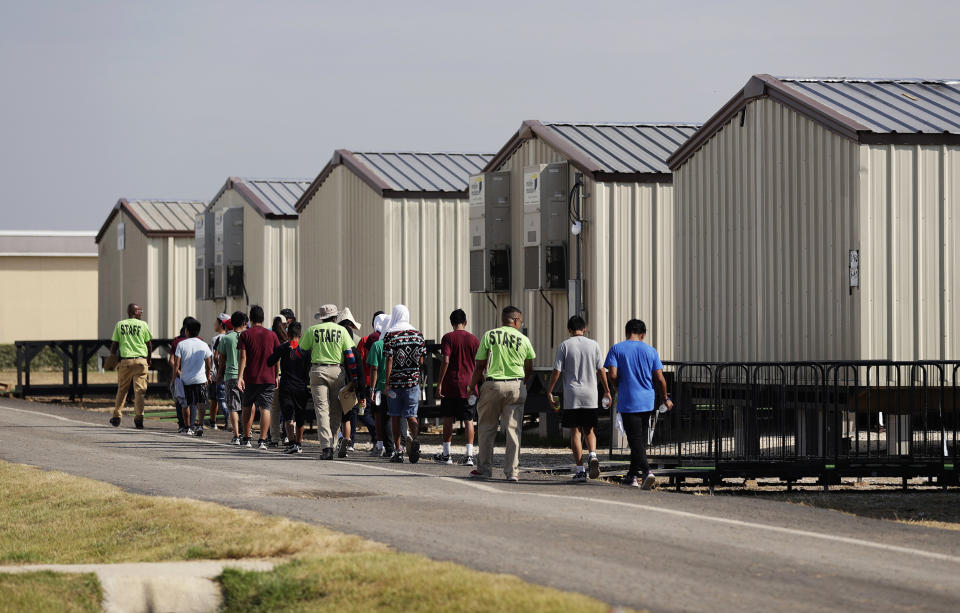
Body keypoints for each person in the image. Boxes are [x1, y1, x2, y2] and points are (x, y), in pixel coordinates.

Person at [467, 306, 535, 481]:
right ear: (517, 321)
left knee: (486, 429)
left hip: (493, 385)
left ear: (503, 319)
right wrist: (522, 383)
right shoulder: (524, 339)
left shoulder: (489, 335)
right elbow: (529, 367)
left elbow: (480, 365)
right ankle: (512, 472)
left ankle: (484, 469)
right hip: (516, 386)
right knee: (513, 431)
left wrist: (472, 386)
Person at [604, 319, 673, 490]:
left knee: (634, 439)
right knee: (640, 439)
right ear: (643, 334)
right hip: (647, 400)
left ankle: (646, 471)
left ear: (627, 332)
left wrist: (617, 386)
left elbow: (612, 374)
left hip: (628, 399)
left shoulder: (617, 349)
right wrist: (665, 398)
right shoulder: (650, 351)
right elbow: (660, 379)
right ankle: (631, 476)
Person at [545, 315, 611, 481]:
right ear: (585, 329)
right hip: (590, 393)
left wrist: (550, 390)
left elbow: (557, 371)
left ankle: (581, 470)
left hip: (572, 394)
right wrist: (607, 390)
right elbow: (601, 370)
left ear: (569, 330)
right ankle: (593, 455)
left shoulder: (564, 346)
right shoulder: (594, 345)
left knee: (575, 431)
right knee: (589, 429)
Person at [300, 304, 365, 460]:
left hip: (317, 371)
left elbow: (300, 352)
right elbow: (350, 356)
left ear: (321, 317)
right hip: (337, 371)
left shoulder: (312, 330)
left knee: (321, 410)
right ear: (335, 317)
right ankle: (333, 443)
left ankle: (326, 448)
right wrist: (355, 378)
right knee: (336, 410)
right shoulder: (342, 331)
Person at [434, 308, 480, 466]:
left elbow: (446, 361)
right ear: (465, 322)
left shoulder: (448, 338)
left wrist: (439, 383)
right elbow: (480, 363)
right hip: (469, 385)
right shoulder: (474, 340)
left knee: (448, 418)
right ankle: (469, 456)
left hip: (451, 384)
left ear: (452, 323)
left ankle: (447, 455)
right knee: (469, 419)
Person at [382, 304, 427, 463]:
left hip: (395, 383)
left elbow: (389, 359)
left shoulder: (390, 335)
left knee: (395, 416)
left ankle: (398, 450)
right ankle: (415, 438)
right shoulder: (418, 335)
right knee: (411, 415)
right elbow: (422, 359)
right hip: (412, 382)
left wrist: (387, 383)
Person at [238, 305, 280, 449]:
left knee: (247, 406)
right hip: (268, 376)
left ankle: (247, 437)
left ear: (250, 318)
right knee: (265, 408)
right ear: (263, 318)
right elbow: (277, 358)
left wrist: (240, 377)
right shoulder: (272, 335)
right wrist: (276, 375)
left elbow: (243, 358)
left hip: (250, 377)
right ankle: (262, 440)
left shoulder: (245, 334)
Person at [267, 321, 311, 455]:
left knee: (288, 417)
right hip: (302, 387)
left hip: (286, 386)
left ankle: (291, 443)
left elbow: (270, 362)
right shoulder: (306, 350)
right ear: (301, 334)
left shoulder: (283, 347)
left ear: (287, 333)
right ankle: (299, 443)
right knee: (300, 416)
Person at [108, 303, 153, 428]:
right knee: (140, 391)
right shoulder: (143, 325)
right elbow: (149, 344)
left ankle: (117, 416)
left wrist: (112, 358)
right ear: (135, 312)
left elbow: (114, 345)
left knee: (122, 389)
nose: (142, 313)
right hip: (140, 361)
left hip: (126, 362)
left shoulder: (120, 324)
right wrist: (149, 359)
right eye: (140, 311)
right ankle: (139, 418)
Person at [337, 307, 375, 456]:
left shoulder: (337, 337)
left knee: (342, 413)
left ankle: (344, 440)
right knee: (352, 412)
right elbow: (360, 363)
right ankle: (349, 440)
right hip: (356, 379)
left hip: (340, 377)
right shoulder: (358, 339)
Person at [174, 317, 214, 436]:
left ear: (187, 331)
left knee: (185, 404)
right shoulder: (203, 345)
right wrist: (208, 376)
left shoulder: (181, 344)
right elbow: (208, 363)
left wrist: (173, 378)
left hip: (186, 380)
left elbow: (176, 364)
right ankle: (200, 425)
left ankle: (188, 427)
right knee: (201, 403)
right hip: (200, 379)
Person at [365, 312, 394, 457]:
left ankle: (382, 445)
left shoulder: (377, 345)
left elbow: (374, 368)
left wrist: (372, 388)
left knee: (380, 417)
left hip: (380, 387)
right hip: (396, 385)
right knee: (396, 416)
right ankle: (397, 445)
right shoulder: (396, 343)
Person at [217, 311, 247, 445]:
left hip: (230, 375)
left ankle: (236, 435)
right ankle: (247, 432)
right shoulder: (247, 337)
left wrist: (218, 375)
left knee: (233, 407)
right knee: (246, 405)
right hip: (246, 376)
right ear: (244, 323)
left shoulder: (226, 339)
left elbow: (221, 360)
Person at [207, 313, 231, 430]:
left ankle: (213, 422)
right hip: (230, 373)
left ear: (222, 324)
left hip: (217, 374)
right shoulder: (233, 336)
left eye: (216, 322)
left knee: (215, 400)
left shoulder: (216, 339)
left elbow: (213, 357)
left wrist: (211, 373)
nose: (214, 324)